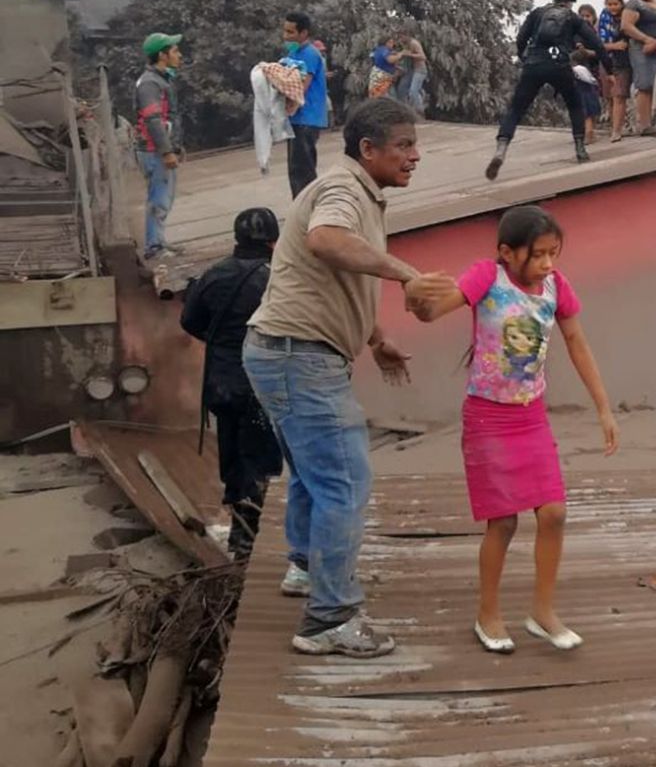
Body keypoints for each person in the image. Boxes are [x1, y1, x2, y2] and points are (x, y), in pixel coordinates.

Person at [242, 97, 455, 658]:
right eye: (404, 146)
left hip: (285, 352)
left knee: (317, 475)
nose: (415, 156)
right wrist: (407, 273)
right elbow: (326, 242)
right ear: (368, 150)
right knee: (345, 481)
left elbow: (331, 284)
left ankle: (306, 569)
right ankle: (329, 619)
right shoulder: (343, 190)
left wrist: (377, 339)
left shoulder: (354, 191)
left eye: (415, 144)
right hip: (298, 357)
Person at [406, 205, 619, 653]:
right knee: (502, 522)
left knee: (554, 513)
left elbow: (577, 343)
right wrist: (417, 297)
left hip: (530, 416)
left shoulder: (556, 288)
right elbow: (432, 312)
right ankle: (489, 613)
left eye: (554, 253)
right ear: (507, 252)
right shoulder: (488, 276)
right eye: (538, 255)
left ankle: (543, 612)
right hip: (487, 417)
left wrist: (604, 408)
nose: (547, 264)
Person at [180, 208, 284, 560]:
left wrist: (222, 340)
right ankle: (251, 542)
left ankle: (241, 536)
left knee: (234, 460)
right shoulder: (277, 277)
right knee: (261, 462)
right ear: (273, 241)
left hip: (221, 383)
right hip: (261, 383)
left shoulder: (213, 274)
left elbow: (190, 321)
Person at [487, 0, 611, 178]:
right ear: (569, 2)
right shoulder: (571, 17)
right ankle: (580, 148)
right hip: (560, 66)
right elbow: (596, 43)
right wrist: (609, 69)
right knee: (574, 104)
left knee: (516, 109)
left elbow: (521, 39)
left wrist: (524, 57)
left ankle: (501, 149)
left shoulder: (537, 13)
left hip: (534, 64)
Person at [134, 33, 184, 260]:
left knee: (164, 198)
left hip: (160, 149)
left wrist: (175, 146)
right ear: (162, 55)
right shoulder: (149, 83)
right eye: (174, 51)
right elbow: (153, 120)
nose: (179, 55)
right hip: (154, 151)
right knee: (159, 199)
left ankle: (159, 241)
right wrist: (166, 151)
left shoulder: (161, 80)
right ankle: (154, 247)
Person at [283, 12, 330, 199]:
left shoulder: (310, 54)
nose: (286, 36)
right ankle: (303, 208)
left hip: (307, 117)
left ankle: (309, 208)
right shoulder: (293, 53)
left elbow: (303, 85)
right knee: (296, 168)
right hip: (295, 117)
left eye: (290, 32)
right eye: (285, 31)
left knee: (303, 169)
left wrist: (289, 101)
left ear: (304, 33)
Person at [621, 0, 656, 137]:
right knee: (644, 84)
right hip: (640, 48)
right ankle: (644, 124)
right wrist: (646, 39)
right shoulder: (634, 4)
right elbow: (626, 26)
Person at [599, 0, 632, 142]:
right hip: (610, 61)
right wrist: (614, 46)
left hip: (627, 59)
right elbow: (599, 43)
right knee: (614, 96)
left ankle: (621, 129)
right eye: (609, 4)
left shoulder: (628, 14)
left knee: (623, 95)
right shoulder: (604, 17)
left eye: (615, 4)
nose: (612, 7)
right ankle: (615, 128)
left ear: (621, 4)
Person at [392, 30, 428, 115]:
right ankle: (404, 111)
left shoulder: (414, 43)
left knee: (413, 91)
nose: (400, 39)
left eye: (401, 37)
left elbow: (423, 57)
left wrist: (409, 54)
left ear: (407, 36)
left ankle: (419, 111)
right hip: (410, 70)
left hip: (419, 70)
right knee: (401, 90)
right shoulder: (405, 45)